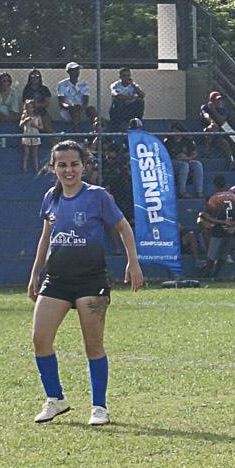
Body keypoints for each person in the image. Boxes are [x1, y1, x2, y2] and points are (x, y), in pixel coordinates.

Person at [28, 140, 144, 427]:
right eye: (62, 164)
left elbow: (123, 227)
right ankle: (55, 399)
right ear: (53, 168)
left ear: (84, 166)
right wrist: (34, 273)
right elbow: (46, 237)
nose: (69, 170)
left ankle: (99, 407)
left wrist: (133, 262)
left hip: (91, 280)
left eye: (74, 164)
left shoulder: (97, 196)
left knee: (93, 345)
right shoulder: (50, 198)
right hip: (56, 280)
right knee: (40, 339)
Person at [197, 175, 235, 279]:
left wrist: (220, 221)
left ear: (215, 185)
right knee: (223, 255)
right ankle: (216, 274)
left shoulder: (213, 198)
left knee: (211, 256)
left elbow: (205, 215)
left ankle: (207, 276)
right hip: (231, 229)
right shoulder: (233, 196)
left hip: (218, 230)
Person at [162, 123, 204, 198]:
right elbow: (165, 156)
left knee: (197, 164)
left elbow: (195, 153)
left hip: (187, 159)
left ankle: (199, 191)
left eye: (176, 131)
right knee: (184, 165)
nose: (174, 133)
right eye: (173, 131)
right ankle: (182, 192)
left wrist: (188, 158)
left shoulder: (187, 140)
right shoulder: (167, 142)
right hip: (173, 162)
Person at [56, 62, 90, 131]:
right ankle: (76, 132)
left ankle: (96, 132)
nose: (77, 72)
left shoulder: (84, 84)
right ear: (69, 72)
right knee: (75, 111)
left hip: (81, 108)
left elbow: (86, 100)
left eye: (78, 70)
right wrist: (69, 106)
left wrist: (81, 108)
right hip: (68, 110)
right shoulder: (62, 84)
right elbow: (61, 102)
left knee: (92, 110)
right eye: (74, 70)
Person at [19, 97, 46, 174]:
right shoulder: (24, 116)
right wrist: (25, 121)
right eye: (27, 107)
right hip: (26, 134)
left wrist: (35, 126)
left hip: (35, 134)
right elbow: (20, 125)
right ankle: (24, 168)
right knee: (26, 153)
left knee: (35, 154)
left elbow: (41, 127)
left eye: (31, 107)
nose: (29, 109)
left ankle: (36, 169)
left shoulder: (37, 117)